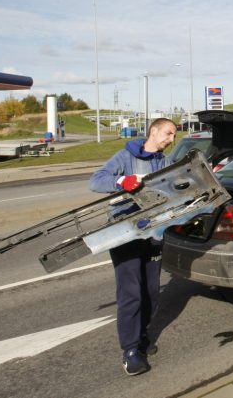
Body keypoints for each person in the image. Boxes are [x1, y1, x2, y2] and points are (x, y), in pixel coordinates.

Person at [89, 117, 177, 376]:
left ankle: (141, 338)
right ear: (154, 131)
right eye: (168, 134)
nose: (171, 140)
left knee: (151, 291)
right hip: (125, 233)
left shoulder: (166, 162)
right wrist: (121, 182)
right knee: (131, 292)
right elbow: (95, 181)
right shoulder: (125, 156)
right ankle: (129, 351)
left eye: (173, 136)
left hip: (154, 233)